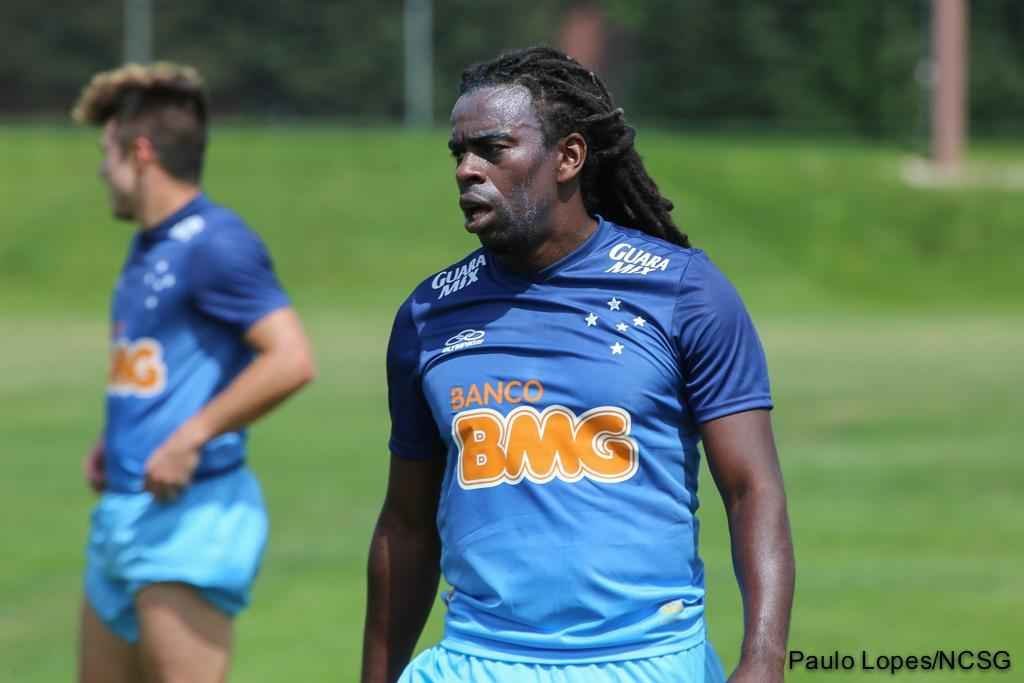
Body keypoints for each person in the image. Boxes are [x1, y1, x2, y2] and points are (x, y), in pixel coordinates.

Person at [362, 47, 794, 683]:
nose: (466, 170)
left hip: (644, 661)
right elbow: (405, 524)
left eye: (492, 148)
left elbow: (751, 488)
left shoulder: (681, 291)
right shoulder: (428, 315)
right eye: (459, 152)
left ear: (568, 157)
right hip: (477, 661)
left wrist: (762, 657)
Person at [72, 63, 315, 683]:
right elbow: (161, 367)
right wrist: (117, 440)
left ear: (141, 151)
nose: (102, 169)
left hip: (187, 519)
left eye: (107, 152)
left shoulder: (216, 242)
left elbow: (290, 358)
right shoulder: (150, 244)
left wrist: (188, 437)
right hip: (122, 517)